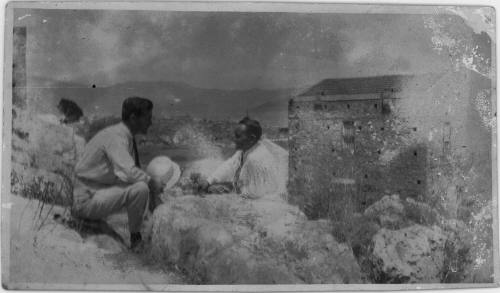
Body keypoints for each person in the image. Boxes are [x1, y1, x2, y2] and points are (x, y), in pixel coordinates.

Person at [72, 97, 160, 250]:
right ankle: (136, 240)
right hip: (85, 200)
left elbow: (127, 172)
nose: (150, 123)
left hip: (90, 192)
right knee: (141, 188)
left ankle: (137, 236)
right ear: (133, 118)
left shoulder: (123, 136)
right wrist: (152, 183)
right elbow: (130, 171)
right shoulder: (117, 138)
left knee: (140, 186)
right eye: (147, 118)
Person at [199, 117, 288, 200]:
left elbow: (252, 194)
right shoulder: (245, 151)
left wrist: (222, 189)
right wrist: (209, 181)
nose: (234, 139)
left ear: (252, 138)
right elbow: (230, 165)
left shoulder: (255, 159)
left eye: (238, 136)